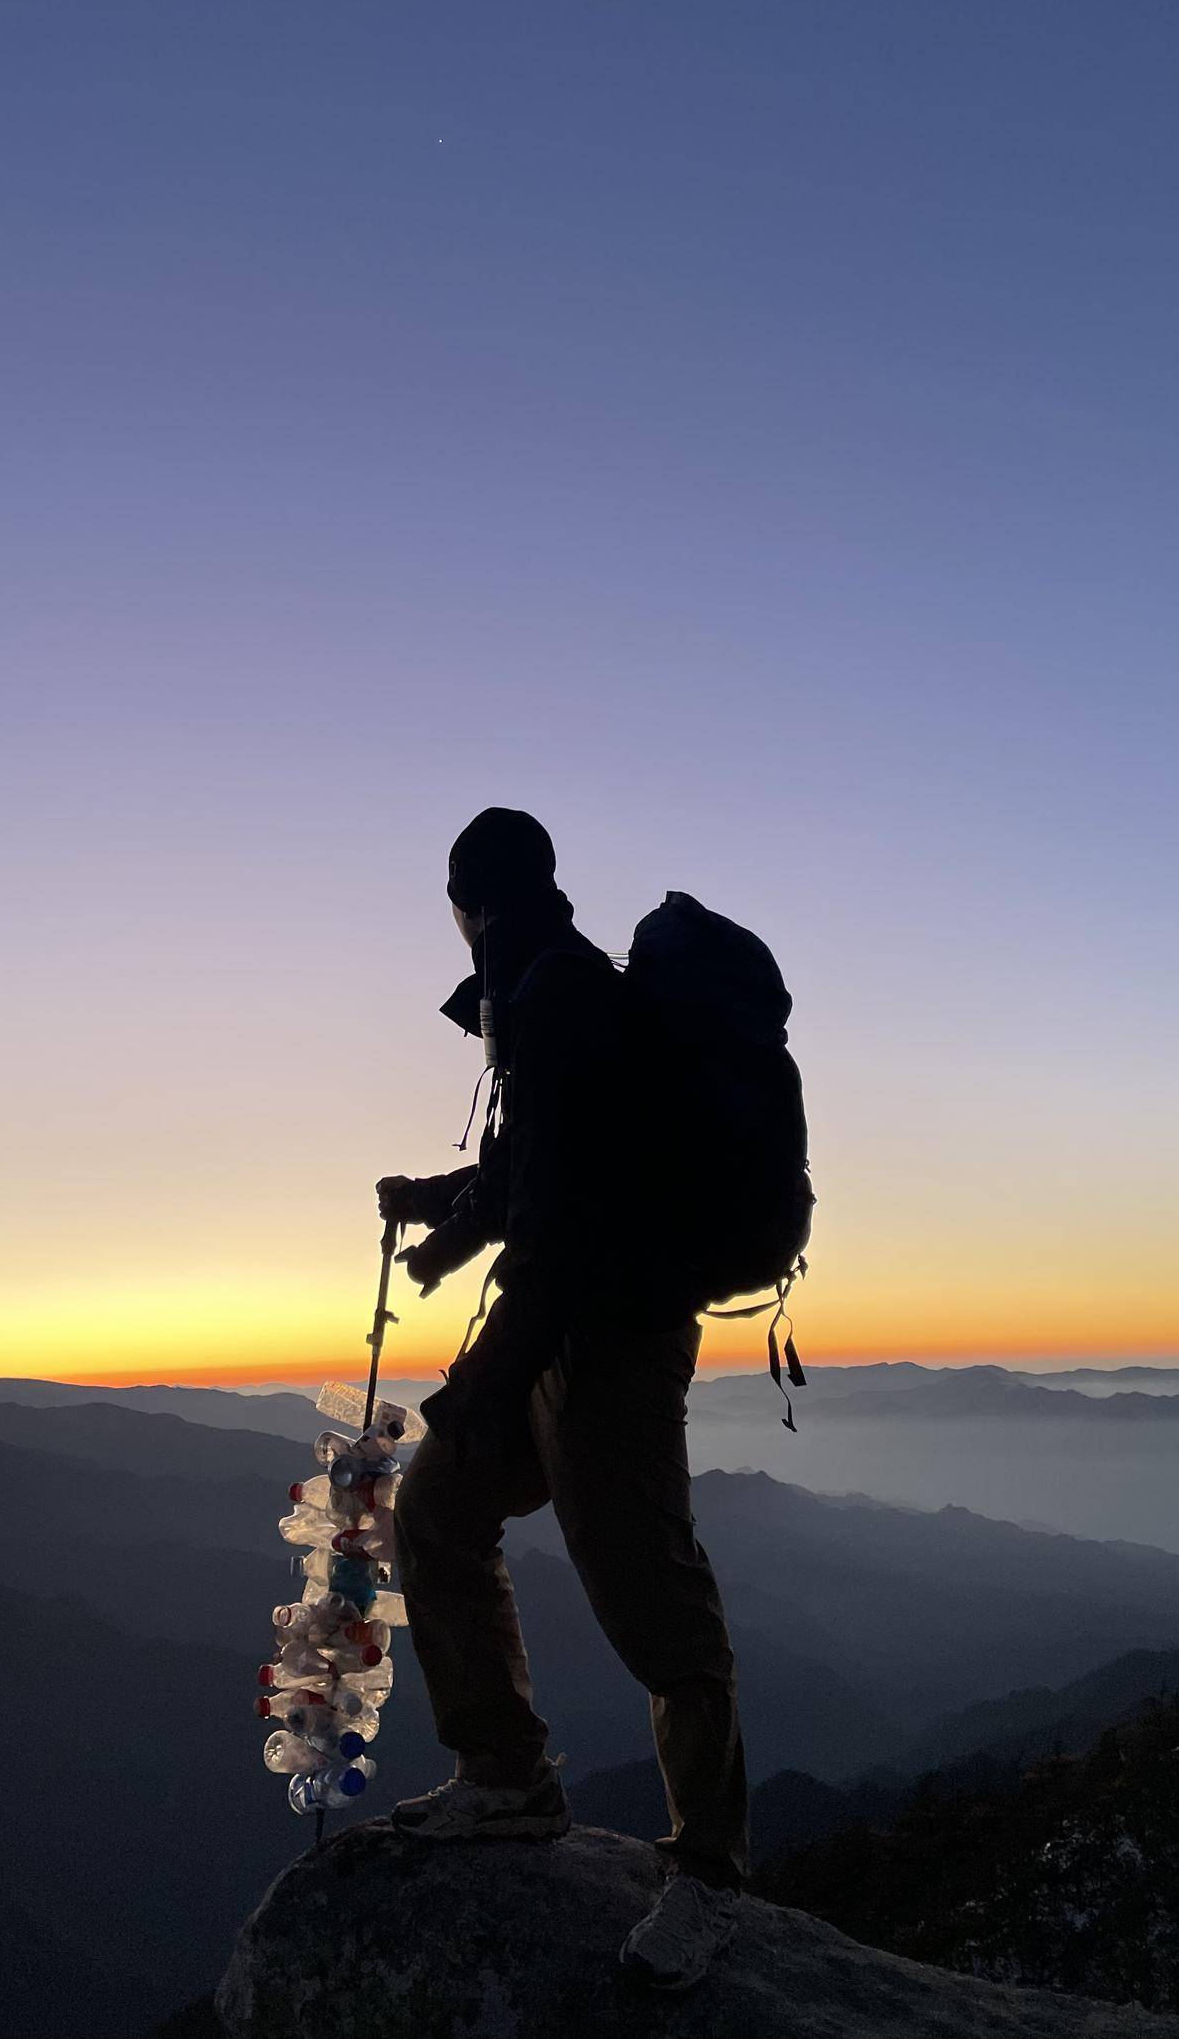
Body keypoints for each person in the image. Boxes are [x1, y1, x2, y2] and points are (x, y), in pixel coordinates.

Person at [379, 807, 749, 1993]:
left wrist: (476, 1388)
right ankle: (505, 1778)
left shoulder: (563, 1000)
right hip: (558, 1331)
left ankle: (709, 1872)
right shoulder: (545, 989)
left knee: (653, 1603)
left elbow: (560, 1232)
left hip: (612, 1347)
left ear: (470, 904)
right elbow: (532, 1175)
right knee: (435, 1516)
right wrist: (436, 1210)